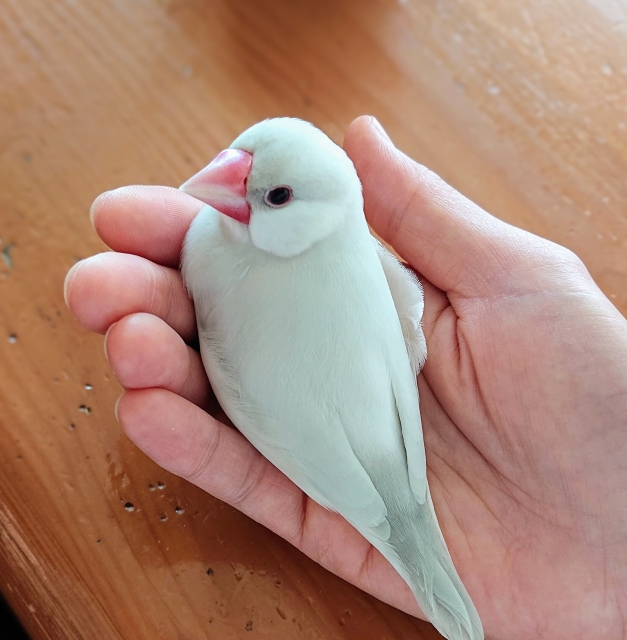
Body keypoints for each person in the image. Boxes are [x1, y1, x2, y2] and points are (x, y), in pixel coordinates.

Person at [64, 116, 627, 640]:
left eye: (275, 195)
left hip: (349, 459)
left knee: (413, 544)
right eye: (235, 160)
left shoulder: (262, 265)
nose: (224, 188)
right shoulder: (346, 252)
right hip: (358, 450)